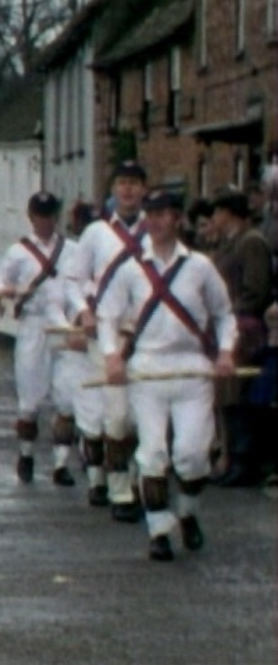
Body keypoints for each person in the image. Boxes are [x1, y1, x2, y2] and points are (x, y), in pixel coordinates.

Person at [98, 189, 237, 561]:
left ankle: (187, 513)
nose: (156, 221)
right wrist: (112, 357)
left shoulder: (200, 267)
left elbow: (223, 314)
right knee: (153, 453)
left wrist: (225, 352)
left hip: (192, 371)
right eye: (151, 214)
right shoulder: (131, 268)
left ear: (177, 219)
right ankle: (159, 530)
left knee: (192, 456)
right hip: (147, 370)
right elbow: (107, 316)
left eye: (163, 214)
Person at [64, 160, 148, 520]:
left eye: (135, 183)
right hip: (106, 331)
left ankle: (141, 482)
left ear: (144, 189)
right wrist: (84, 311)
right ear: (113, 189)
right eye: (122, 182)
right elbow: (73, 280)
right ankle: (119, 490)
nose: (128, 189)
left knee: (143, 415)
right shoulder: (96, 233)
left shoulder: (154, 231)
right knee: (115, 415)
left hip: (146, 333)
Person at [0, 192, 78, 487]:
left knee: (67, 399)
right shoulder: (19, 252)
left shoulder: (72, 250)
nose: (45, 221)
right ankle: (26, 454)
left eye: (50, 215)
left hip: (63, 326)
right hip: (33, 326)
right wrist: (8, 291)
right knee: (29, 400)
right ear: (31, 216)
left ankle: (61, 464)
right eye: (40, 215)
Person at [209, 187, 273, 487]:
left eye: (217, 212)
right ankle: (231, 455)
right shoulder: (230, 243)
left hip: (243, 329)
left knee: (238, 394)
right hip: (227, 327)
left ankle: (244, 459)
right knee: (225, 395)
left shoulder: (251, 242)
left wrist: (228, 314)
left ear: (228, 213)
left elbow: (256, 288)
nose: (213, 218)